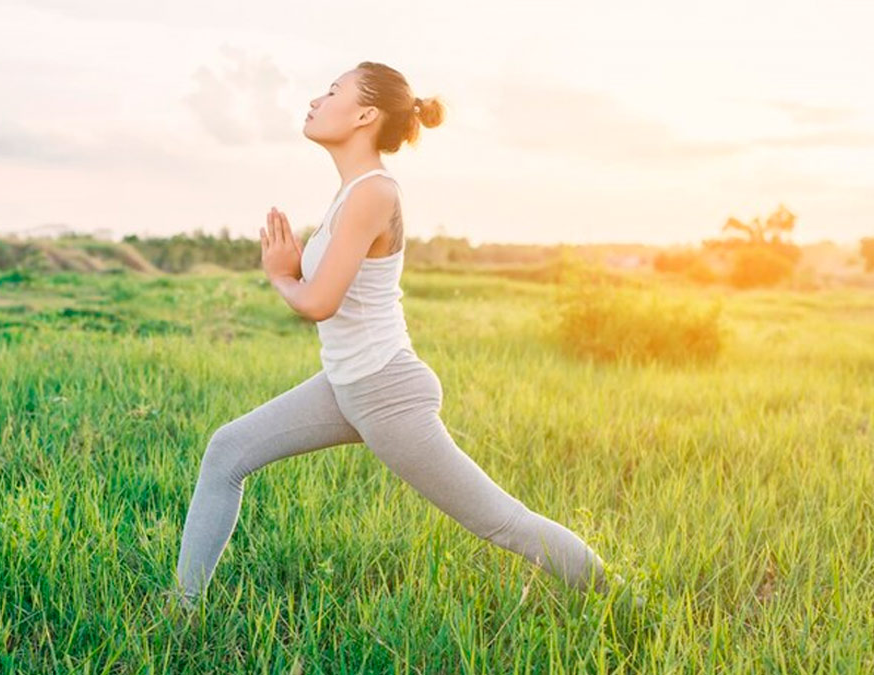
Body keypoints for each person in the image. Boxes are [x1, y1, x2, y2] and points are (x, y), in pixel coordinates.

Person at [173, 61, 609, 611]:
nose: (316, 98)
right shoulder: (350, 191)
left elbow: (319, 302)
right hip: (346, 385)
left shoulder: (373, 193)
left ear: (365, 114)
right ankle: (182, 612)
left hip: (385, 392)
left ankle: (627, 606)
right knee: (227, 451)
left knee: (503, 522)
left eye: (332, 90)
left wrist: (283, 275)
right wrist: (292, 273)